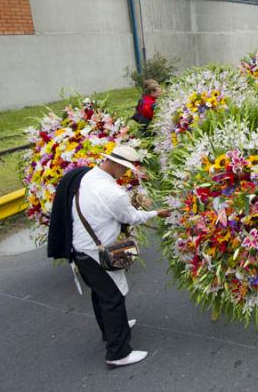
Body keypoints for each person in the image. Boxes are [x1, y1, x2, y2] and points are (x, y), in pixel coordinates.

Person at [48, 146, 171, 367]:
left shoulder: (87, 175)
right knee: (113, 298)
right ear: (116, 165)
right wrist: (155, 213)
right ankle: (118, 353)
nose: (125, 174)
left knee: (101, 294)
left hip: (80, 248)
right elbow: (131, 217)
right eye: (125, 170)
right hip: (95, 252)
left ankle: (112, 329)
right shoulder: (113, 193)